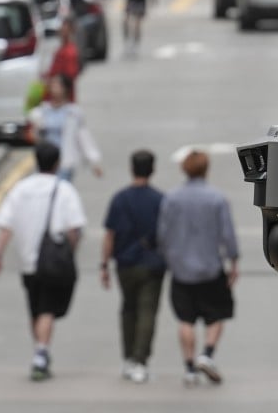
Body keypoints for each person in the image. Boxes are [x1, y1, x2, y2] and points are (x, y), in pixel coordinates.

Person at [0, 142, 87, 381]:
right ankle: (41, 352)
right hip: (53, 261)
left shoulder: (20, 189)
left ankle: (40, 350)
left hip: (27, 260)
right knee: (47, 308)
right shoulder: (64, 190)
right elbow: (74, 228)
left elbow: (5, 225)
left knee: (35, 307)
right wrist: (71, 251)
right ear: (57, 163)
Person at [157, 150, 240, 386]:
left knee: (186, 318)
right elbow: (227, 234)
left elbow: (163, 233)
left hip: (181, 267)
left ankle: (189, 367)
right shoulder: (216, 198)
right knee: (217, 314)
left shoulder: (172, 198)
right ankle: (208, 353)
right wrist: (233, 261)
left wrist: (168, 256)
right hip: (210, 266)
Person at [100, 149, 166, 384]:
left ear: (131, 169)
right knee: (147, 312)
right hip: (152, 264)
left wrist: (103, 265)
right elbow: (168, 235)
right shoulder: (160, 199)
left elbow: (110, 234)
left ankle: (128, 358)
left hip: (125, 264)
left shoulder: (120, 199)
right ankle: (140, 360)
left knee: (128, 309)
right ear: (153, 170)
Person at [27, 74, 102, 183]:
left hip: (64, 163)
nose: (53, 88)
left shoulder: (74, 113)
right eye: (52, 85)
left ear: (66, 89)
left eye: (57, 85)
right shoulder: (42, 111)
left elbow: (84, 138)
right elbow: (34, 134)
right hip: (45, 162)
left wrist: (94, 162)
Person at [45, 18, 81, 99]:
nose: (61, 32)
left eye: (65, 31)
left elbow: (69, 77)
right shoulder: (62, 48)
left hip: (62, 100)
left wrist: (54, 82)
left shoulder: (70, 52)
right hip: (53, 97)